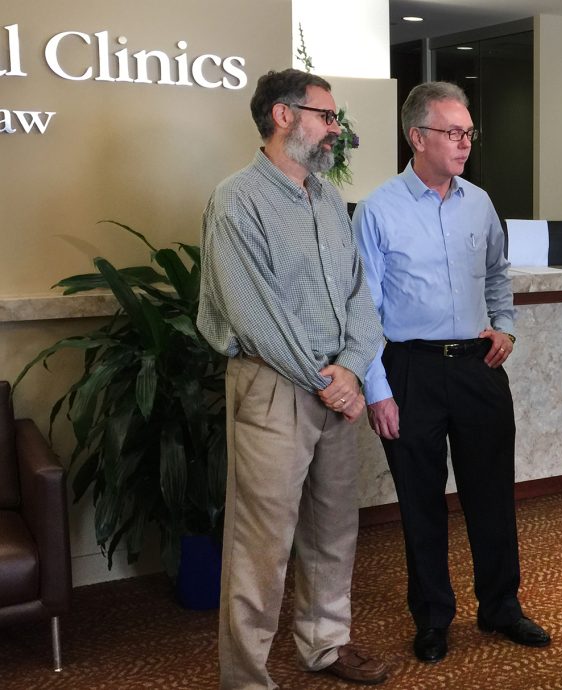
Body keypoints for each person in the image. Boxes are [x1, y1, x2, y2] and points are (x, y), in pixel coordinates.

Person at [198, 68, 386, 689]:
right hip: (276, 386)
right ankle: (246, 677)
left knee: (334, 527)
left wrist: (353, 368)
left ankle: (325, 645)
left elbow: (361, 295)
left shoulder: (330, 198)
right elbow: (254, 312)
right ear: (284, 116)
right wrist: (325, 378)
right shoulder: (238, 198)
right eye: (327, 117)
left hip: (338, 383)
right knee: (261, 544)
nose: (336, 130)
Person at [352, 81, 550, 664]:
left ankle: (501, 607)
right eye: (453, 132)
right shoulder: (377, 210)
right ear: (417, 137)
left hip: (477, 368)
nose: (465, 143)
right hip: (408, 369)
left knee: (492, 495)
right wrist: (376, 390)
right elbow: (360, 307)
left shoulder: (480, 203)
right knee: (421, 503)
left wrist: (506, 327)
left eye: (469, 132)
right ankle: (434, 617)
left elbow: (497, 274)